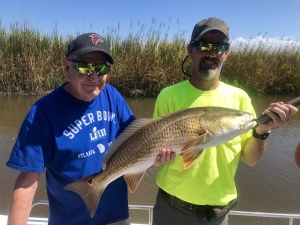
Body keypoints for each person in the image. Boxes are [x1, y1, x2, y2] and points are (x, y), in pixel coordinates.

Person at [152, 17, 298, 225]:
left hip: (217, 213)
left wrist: (262, 131)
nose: (212, 53)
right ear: (190, 50)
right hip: (170, 207)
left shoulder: (240, 99)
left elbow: (251, 159)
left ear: (226, 53)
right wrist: (159, 158)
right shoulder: (168, 96)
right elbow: (157, 152)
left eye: (219, 47)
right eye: (204, 45)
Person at [6, 33, 135, 225]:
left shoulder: (112, 96)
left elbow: (138, 140)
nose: (94, 76)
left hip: (115, 219)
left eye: (101, 68)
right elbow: (27, 182)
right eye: (85, 67)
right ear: (67, 67)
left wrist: (160, 154)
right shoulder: (43, 113)